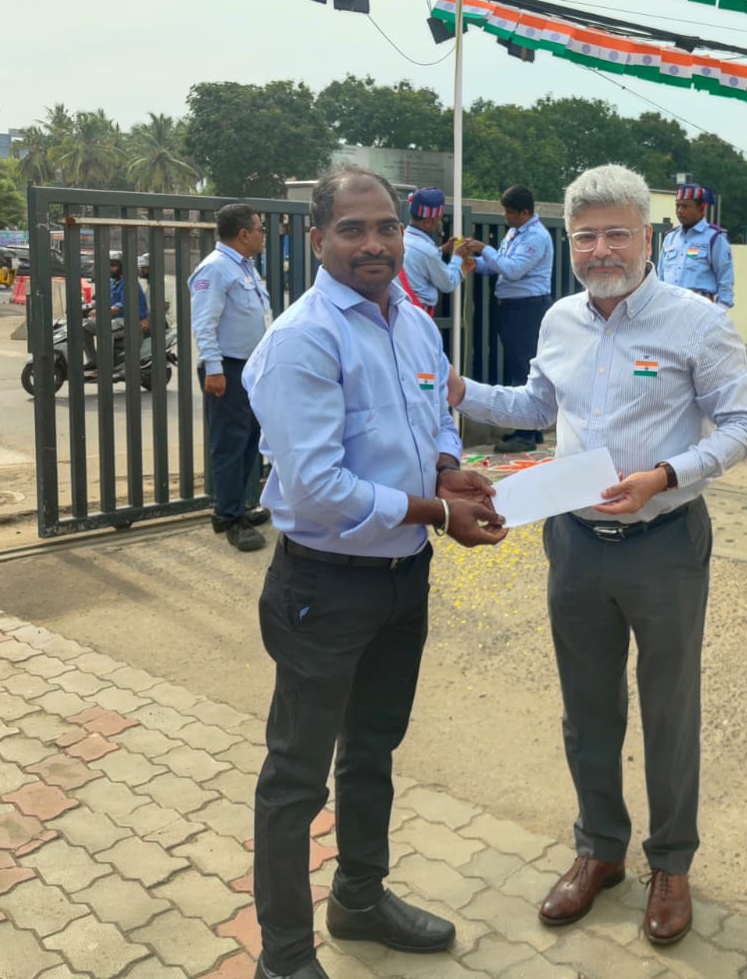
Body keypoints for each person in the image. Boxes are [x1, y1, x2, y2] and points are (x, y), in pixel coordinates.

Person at [450, 164, 747, 948]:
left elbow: (744, 426)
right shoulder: (561, 320)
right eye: (585, 236)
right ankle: (600, 850)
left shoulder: (697, 323)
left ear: (647, 237)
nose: (600, 250)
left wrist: (668, 474)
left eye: (616, 233)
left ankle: (671, 863)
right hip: (574, 542)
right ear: (569, 241)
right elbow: (536, 405)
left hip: (664, 545)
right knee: (587, 706)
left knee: (669, 710)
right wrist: (462, 391)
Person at [243, 166, 508, 979]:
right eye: (352, 229)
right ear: (318, 238)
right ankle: (284, 959)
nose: (374, 243)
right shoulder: (304, 339)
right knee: (297, 777)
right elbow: (316, 489)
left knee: (372, 752)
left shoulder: (415, 325)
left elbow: (435, 420)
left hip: (402, 580)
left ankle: (358, 900)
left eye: (387, 227)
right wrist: (436, 512)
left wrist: (448, 471)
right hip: (324, 588)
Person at [189, 204, 273, 552]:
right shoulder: (215, 269)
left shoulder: (244, 267)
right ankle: (228, 517)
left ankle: (238, 506)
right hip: (228, 369)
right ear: (244, 234)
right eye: (260, 229)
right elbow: (204, 323)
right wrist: (214, 369)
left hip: (250, 370)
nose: (263, 235)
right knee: (229, 446)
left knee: (248, 442)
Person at [460, 183, 554, 453]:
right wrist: (476, 263)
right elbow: (499, 265)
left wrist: (483, 248)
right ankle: (530, 429)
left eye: (510, 212)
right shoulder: (515, 233)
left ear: (525, 213)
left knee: (524, 368)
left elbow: (512, 270)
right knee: (517, 365)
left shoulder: (536, 236)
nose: (506, 217)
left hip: (527, 308)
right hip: (512, 307)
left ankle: (526, 434)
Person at [656, 184, 734, 308]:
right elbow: (660, 278)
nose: (679, 211)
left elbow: (725, 280)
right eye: (677, 206)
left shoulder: (714, 238)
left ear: (701, 208)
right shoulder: (670, 238)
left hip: (699, 309)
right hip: (669, 308)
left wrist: (721, 309)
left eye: (685, 206)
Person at [398, 187, 464, 310]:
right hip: (419, 313)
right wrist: (457, 257)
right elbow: (448, 284)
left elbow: (419, 258)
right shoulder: (427, 251)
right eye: (439, 219)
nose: (440, 222)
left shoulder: (402, 238)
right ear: (428, 222)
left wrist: (442, 250)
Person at [82, 253, 149, 372]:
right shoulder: (114, 282)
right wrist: (89, 306)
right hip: (117, 319)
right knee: (84, 326)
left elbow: (121, 306)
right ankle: (93, 360)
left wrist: (100, 311)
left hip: (130, 321)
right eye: (109, 265)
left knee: (104, 328)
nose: (110, 268)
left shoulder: (129, 283)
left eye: (113, 265)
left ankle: (106, 367)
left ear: (122, 267)